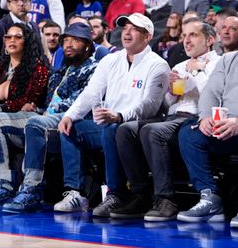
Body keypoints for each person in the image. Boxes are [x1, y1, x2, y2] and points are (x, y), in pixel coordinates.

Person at [55, 13, 169, 216]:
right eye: (125, 28)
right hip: (109, 123)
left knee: (112, 129)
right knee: (69, 130)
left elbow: (150, 105)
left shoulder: (157, 64)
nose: (127, 32)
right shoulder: (110, 60)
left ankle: (115, 194)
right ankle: (75, 193)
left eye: (134, 29)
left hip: (137, 126)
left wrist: (119, 115)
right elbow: (91, 92)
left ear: (148, 36)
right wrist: (70, 115)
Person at [0, 23, 97, 211]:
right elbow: (48, 104)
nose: (68, 45)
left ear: (87, 45)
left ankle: (32, 187)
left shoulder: (94, 69)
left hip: (72, 120)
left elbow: (83, 106)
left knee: (34, 123)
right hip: (46, 116)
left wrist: (41, 113)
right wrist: (36, 107)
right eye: (65, 41)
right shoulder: (60, 71)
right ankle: (3, 184)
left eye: (75, 40)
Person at [112, 17, 219, 221]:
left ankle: (166, 199)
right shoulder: (179, 64)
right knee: (125, 130)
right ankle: (141, 194)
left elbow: (214, 96)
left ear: (210, 39)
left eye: (193, 35)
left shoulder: (218, 63)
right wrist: (170, 92)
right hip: (173, 116)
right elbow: (168, 104)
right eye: (184, 36)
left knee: (151, 131)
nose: (186, 40)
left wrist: (196, 73)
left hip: (196, 118)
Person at [176, 50, 238, 225]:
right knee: (190, 133)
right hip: (225, 125)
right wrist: (205, 118)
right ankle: (210, 197)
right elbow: (210, 91)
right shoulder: (229, 59)